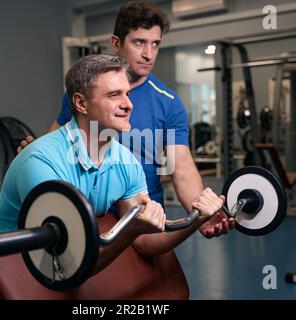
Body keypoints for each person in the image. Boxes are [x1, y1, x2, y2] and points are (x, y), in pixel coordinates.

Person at [0, 54, 224, 275]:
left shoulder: (126, 163)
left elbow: (144, 242)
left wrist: (196, 220)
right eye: (114, 95)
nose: (128, 104)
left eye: (127, 93)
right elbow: (68, 264)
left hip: (50, 269)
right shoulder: (41, 164)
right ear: (81, 104)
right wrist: (131, 229)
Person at [18, 1, 235, 238]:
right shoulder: (87, 93)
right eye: (139, 42)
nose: (148, 54)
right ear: (116, 43)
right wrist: (35, 154)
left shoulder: (168, 102)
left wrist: (201, 213)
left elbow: (180, 167)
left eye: (155, 44)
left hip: (142, 213)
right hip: (91, 212)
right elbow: (58, 138)